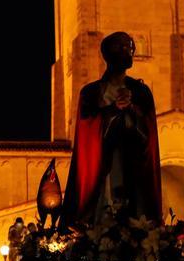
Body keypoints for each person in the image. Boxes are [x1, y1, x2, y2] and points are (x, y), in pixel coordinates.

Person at [60, 31, 162, 229]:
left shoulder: (140, 91)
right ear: (108, 53)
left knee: (133, 211)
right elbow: (87, 130)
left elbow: (148, 132)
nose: (128, 52)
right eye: (122, 47)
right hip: (103, 164)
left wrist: (132, 109)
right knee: (104, 209)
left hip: (133, 163)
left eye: (129, 47)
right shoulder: (91, 92)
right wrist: (114, 109)